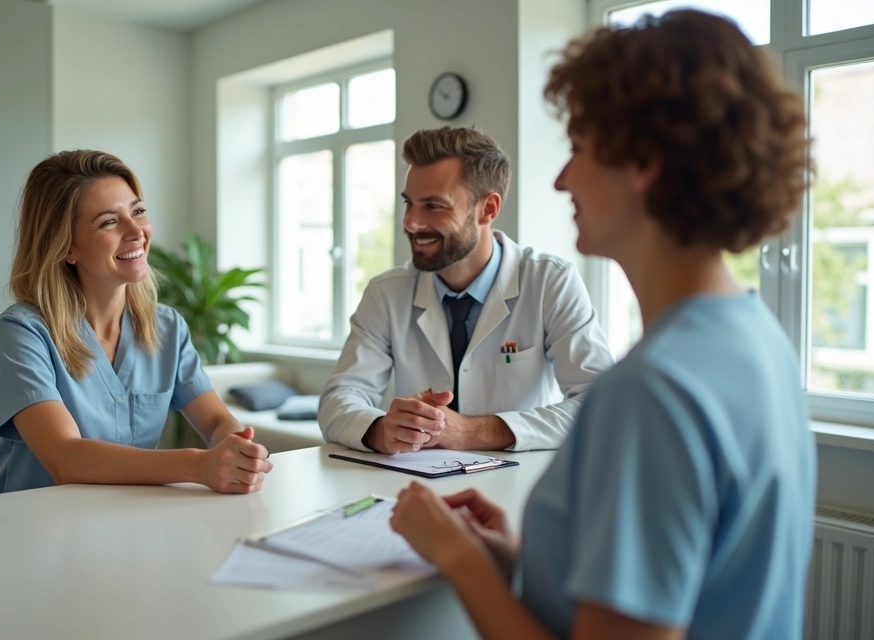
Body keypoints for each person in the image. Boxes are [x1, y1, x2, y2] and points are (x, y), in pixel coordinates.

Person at [390, 10, 816, 639]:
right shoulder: (756, 339)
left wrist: (454, 556)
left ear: (644, 162)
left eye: (581, 149)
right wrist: (515, 560)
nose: (564, 178)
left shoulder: (653, 391)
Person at [0, 150, 272, 496]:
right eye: (109, 222)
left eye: (138, 211)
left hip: (122, 525)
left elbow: (217, 421)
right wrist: (197, 465)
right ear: (66, 246)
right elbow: (64, 457)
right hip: (23, 530)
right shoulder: (24, 332)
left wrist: (237, 446)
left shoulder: (167, 328)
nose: (137, 232)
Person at [318, 127, 614, 454]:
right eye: (409, 204)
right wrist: (380, 430)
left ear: (488, 209)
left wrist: (472, 432)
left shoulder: (550, 282)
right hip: (415, 486)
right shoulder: (386, 293)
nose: (411, 223)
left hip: (517, 489)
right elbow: (338, 399)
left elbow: (599, 405)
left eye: (433, 206)